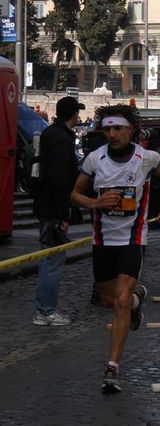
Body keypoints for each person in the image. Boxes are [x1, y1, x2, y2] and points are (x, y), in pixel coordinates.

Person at [71, 104, 160, 393]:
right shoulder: (96, 158)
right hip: (103, 241)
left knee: (119, 301)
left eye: (117, 128)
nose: (112, 133)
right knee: (111, 300)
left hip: (133, 241)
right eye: (107, 128)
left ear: (130, 130)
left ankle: (112, 368)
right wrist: (95, 203)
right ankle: (136, 301)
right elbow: (75, 193)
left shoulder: (146, 158)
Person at [31, 96, 84, 326]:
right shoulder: (62, 139)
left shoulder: (50, 134)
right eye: (77, 113)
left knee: (49, 257)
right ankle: (45, 311)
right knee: (52, 259)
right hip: (53, 208)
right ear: (73, 115)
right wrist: (64, 215)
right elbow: (60, 179)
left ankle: (45, 309)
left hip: (46, 204)